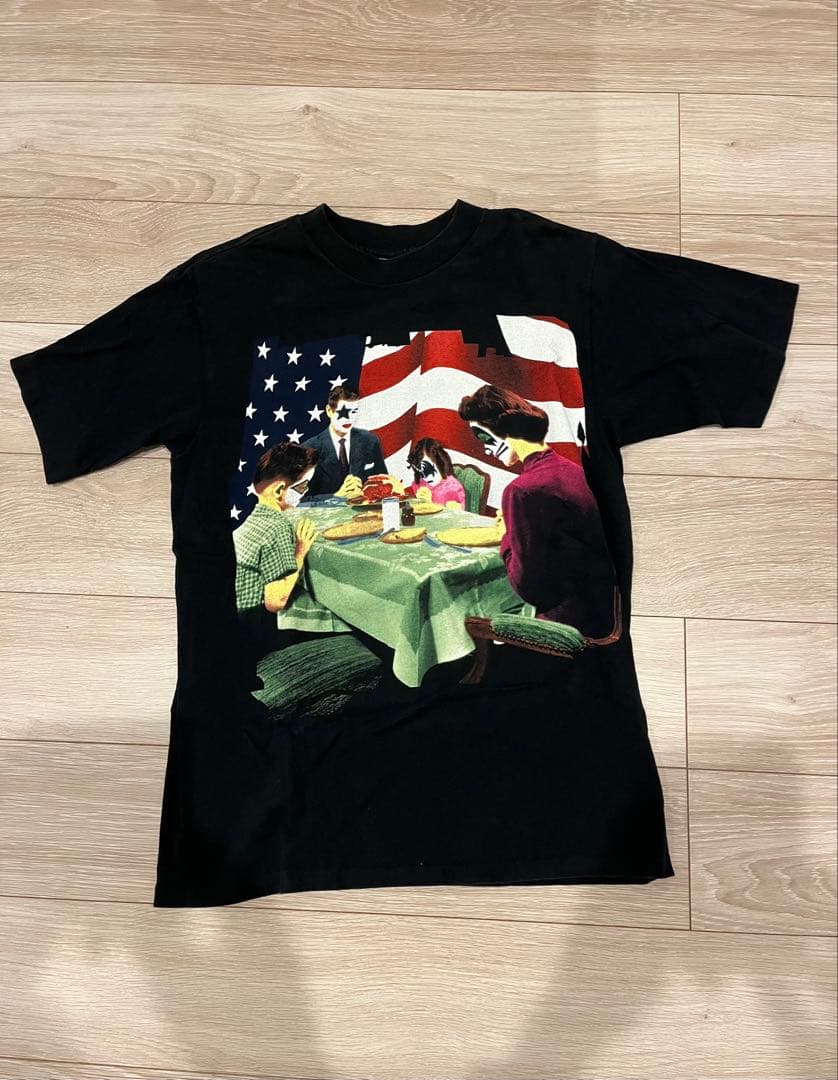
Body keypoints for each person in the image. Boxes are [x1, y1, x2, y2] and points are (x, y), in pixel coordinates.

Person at [457, 384, 618, 638]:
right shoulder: (572, 469)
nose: (486, 449)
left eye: (484, 439)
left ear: (506, 430)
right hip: (605, 607)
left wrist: (506, 534)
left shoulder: (522, 491)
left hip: (568, 624)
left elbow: (527, 588)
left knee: (467, 616)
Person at [233, 441, 318, 659]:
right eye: (303, 487)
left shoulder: (256, 518)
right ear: (280, 490)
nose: (306, 492)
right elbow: (275, 601)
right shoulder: (277, 527)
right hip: (253, 631)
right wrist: (300, 551)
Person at [303, 386, 387, 499]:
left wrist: (365, 492)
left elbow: (384, 483)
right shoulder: (309, 448)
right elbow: (298, 501)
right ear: (329, 411)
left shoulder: (370, 441)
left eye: (353, 412)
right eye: (342, 412)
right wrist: (336, 497)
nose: (348, 418)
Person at [405, 437, 466, 509]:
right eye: (421, 472)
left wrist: (429, 502)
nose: (426, 477)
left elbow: (457, 512)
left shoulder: (453, 488)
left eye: (428, 470)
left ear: (440, 463)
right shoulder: (421, 483)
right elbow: (411, 494)